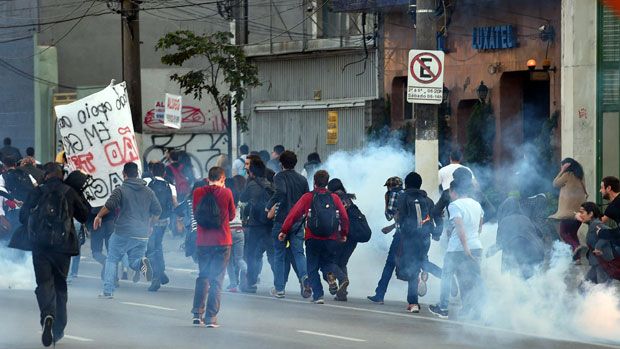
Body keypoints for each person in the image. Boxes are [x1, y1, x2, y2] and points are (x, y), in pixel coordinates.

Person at [19, 162, 89, 346]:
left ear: (46, 175)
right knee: (60, 285)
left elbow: (22, 216)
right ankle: (58, 328)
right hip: (63, 247)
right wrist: (79, 192)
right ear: (61, 175)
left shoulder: (38, 191)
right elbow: (84, 215)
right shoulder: (69, 191)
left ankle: (47, 315)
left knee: (43, 284)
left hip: (40, 246)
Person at [279, 170, 349, 304]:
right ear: (327, 182)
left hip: (313, 238)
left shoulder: (308, 197)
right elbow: (344, 217)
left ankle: (318, 296)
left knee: (312, 267)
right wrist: (343, 234)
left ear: (314, 182)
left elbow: (293, 214)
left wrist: (284, 230)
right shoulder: (334, 198)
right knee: (328, 263)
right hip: (331, 237)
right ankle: (337, 277)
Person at [94, 162, 162, 298]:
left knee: (112, 259)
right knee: (134, 261)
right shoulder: (148, 191)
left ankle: (108, 291)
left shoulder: (121, 189)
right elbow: (158, 210)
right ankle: (142, 263)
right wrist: (150, 225)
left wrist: (99, 215)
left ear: (124, 174)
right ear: (137, 174)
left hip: (122, 231)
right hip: (142, 233)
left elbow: (110, 205)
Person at [429, 179, 484, 319]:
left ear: (453, 191)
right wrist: (473, 240)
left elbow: (459, 227)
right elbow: (480, 225)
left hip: (457, 249)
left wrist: (466, 248)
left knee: (446, 276)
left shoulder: (455, 205)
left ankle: (442, 308)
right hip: (477, 246)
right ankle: (481, 311)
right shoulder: (476, 204)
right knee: (475, 279)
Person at [191, 166, 235, 328]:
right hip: (222, 241)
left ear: (208, 177)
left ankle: (197, 313)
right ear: (223, 179)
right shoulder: (227, 193)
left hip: (203, 241)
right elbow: (231, 215)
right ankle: (210, 317)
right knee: (216, 279)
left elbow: (196, 213)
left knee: (203, 276)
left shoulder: (198, 192)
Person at [394, 172, 442, 313]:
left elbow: (401, 216)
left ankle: (413, 303)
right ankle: (445, 276)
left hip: (409, 238)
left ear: (407, 184)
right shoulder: (427, 200)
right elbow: (437, 217)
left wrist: (401, 229)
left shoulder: (403, 196)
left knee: (413, 268)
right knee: (422, 262)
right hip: (425, 239)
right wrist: (436, 233)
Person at [266, 150, 311, 299]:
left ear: (281, 163)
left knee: (279, 255)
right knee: (299, 253)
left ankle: (279, 288)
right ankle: (305, 277)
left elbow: (281, 191)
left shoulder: (279, 176)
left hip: (281, 221)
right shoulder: (302, 180)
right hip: (298, 222)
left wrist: (269, 204)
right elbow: (307, 199)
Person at [486, 197, 545, 279]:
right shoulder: (526, 219)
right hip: (535, 253)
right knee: (531, 281)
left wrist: (489, 252)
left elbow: (499, 244)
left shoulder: (504, 222)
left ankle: (509, 284)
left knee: (517, 280)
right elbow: (541, 234)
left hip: (518, 257)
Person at [240, 158, 275, 293]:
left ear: (252, 172)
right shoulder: (270, 184)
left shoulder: (251, 184)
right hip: (269, 223)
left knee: (252, 254)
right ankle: (279, 283)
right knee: (272, 254)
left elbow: (242, 198)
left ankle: (251, 283)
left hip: (255, 224)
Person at [367, 176, 404, 304]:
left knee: (389, 265)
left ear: (390, 187)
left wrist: (386, 201)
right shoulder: (405, 194)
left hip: (400, 236)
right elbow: (402, 218)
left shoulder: (393, 194)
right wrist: (391, 228)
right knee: (418, 262)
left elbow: (389, 215)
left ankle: (380, 295)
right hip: (412, 235)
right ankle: (443, 276)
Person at [144, 162, 178, 292]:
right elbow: (175, 203)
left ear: (152, 171)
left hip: (149, 220)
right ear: (164, 173)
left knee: (150, 250)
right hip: (164, 221)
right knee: (158, 246)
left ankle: (156, 278)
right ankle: (161, 272)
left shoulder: (146, 182)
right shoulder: (170, 185)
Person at [326, 178, 358, 301]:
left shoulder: (334, 199)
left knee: (330, 262)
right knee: (342, 263)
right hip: (353, 237)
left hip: (340, 236)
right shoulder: (349, 199)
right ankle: (342, 293)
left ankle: (343, 279)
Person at [549, 158, 588, 252]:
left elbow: (555, 184)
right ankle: (577, 258)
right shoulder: (580, 177)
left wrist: (562, 171)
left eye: (562, 166)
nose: (561, 167)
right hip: (579, 213)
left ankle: (576, 247)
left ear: (567, 166)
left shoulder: (567, 175)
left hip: (568, 213)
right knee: (573, 234)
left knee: (563, 233)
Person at [576, 202, 616, 284]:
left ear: (590, 214)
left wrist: (598, 246)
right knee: (584, 288)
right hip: (597, 263)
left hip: (603, 264)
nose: (580, 215)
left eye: (582, 212)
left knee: (603, 290)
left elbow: (609, 234)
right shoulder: (592, 224)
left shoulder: (597, 224)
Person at [224, 175, 248, 293]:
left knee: (228, 260)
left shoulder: (224, 198)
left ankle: (233, 284)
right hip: (239, 230)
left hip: (227, 231)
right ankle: (247, 271)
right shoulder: (238, 200)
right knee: (239, 258)